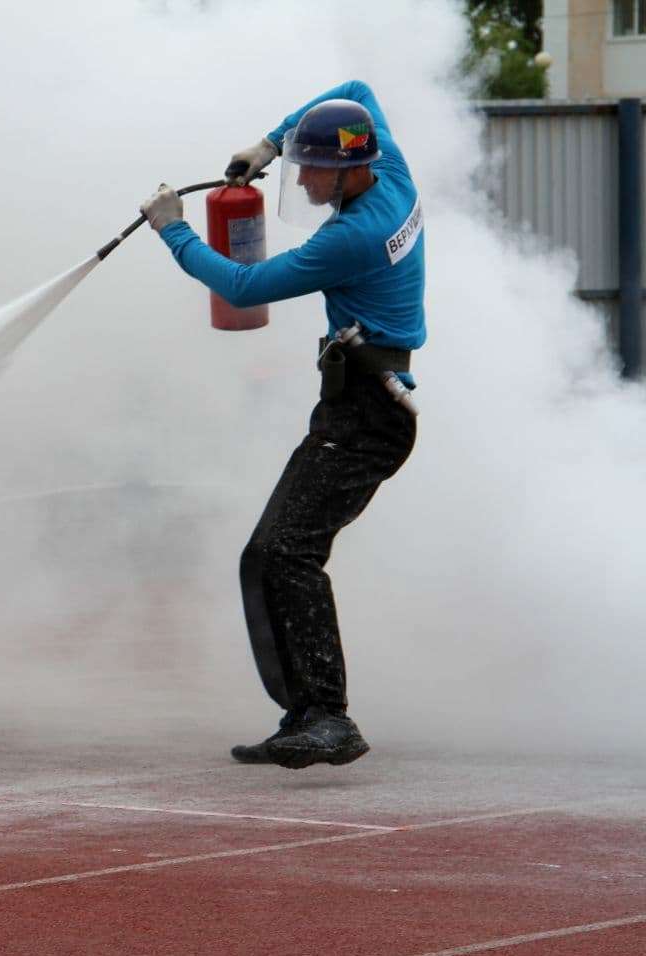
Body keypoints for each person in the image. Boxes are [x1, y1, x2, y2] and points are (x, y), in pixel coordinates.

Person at [138, 80, 425, 769]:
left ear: (353, 167)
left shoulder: (355, 236)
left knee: (286, 552)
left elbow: (241, 286)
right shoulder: (390, 167)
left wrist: (173, 228)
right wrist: (270, 142)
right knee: (267, 555)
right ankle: (307, 713)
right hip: (356, 404)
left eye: (316, 169)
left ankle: (328, 717)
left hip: (366, 414)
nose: (305, 179)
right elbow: (356, 89)